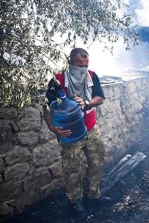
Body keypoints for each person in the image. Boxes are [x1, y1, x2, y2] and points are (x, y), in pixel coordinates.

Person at [43, 48, 108, 215]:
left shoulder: (92, 76)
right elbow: (47, 107)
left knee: (97, 162)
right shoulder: (57, 80)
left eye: (86, 65)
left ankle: (93, 194)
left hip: (91, 128)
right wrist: (52, 127)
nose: (83, 69)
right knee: (72, 170)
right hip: (70, 134)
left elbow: (99, 98)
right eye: (80, 65)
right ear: (69, 61)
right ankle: (75, 201)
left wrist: (87, 103)